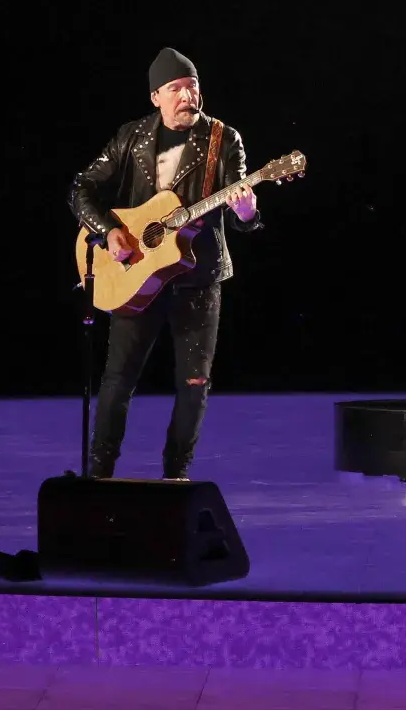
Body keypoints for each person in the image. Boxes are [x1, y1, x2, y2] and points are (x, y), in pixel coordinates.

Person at [68, 48, 262, 480]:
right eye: (176, 88)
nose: (187, 96)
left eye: (192, 86)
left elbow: (240, 208)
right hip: (136, 273)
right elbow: (81, 188)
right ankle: (99, 473)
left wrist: (247, 213)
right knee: (118, 379)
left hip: (197, 277)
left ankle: (177, 475)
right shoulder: (132, 136)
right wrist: (108, 231)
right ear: (156, 96)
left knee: (194, 384)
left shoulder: (223, 139)